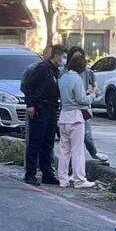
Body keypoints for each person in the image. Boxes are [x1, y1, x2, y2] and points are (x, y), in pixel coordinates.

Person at [24, 44, 66, 186]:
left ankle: (47, 173)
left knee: (48, 143)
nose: (63, 60)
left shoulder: (55, 71)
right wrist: (30, 104)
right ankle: (30, 174)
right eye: (63, 57)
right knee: (35, 142)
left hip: (52, 108)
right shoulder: (42, 68)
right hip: (40, 108)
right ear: (56, 55)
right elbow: (28, 86)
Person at [56, 52, 96, 188]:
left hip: (63, 116)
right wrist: (92, 95)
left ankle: (63, 179)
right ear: (82, 67)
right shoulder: (77, 79)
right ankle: (79, 179)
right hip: (76, 118)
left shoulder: (62, 78)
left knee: (64, 150)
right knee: (77, 150)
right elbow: (81, 100)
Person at [65, 46, 108, 162]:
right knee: (70, 141)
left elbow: (95, 87)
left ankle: (93, 153)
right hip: (71, 109)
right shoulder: (65, 73)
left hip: (83, 109)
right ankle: (71, 165)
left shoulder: (88, 72)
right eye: (75, 58)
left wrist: (92, 92)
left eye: (80, 57)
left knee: (86, 135)